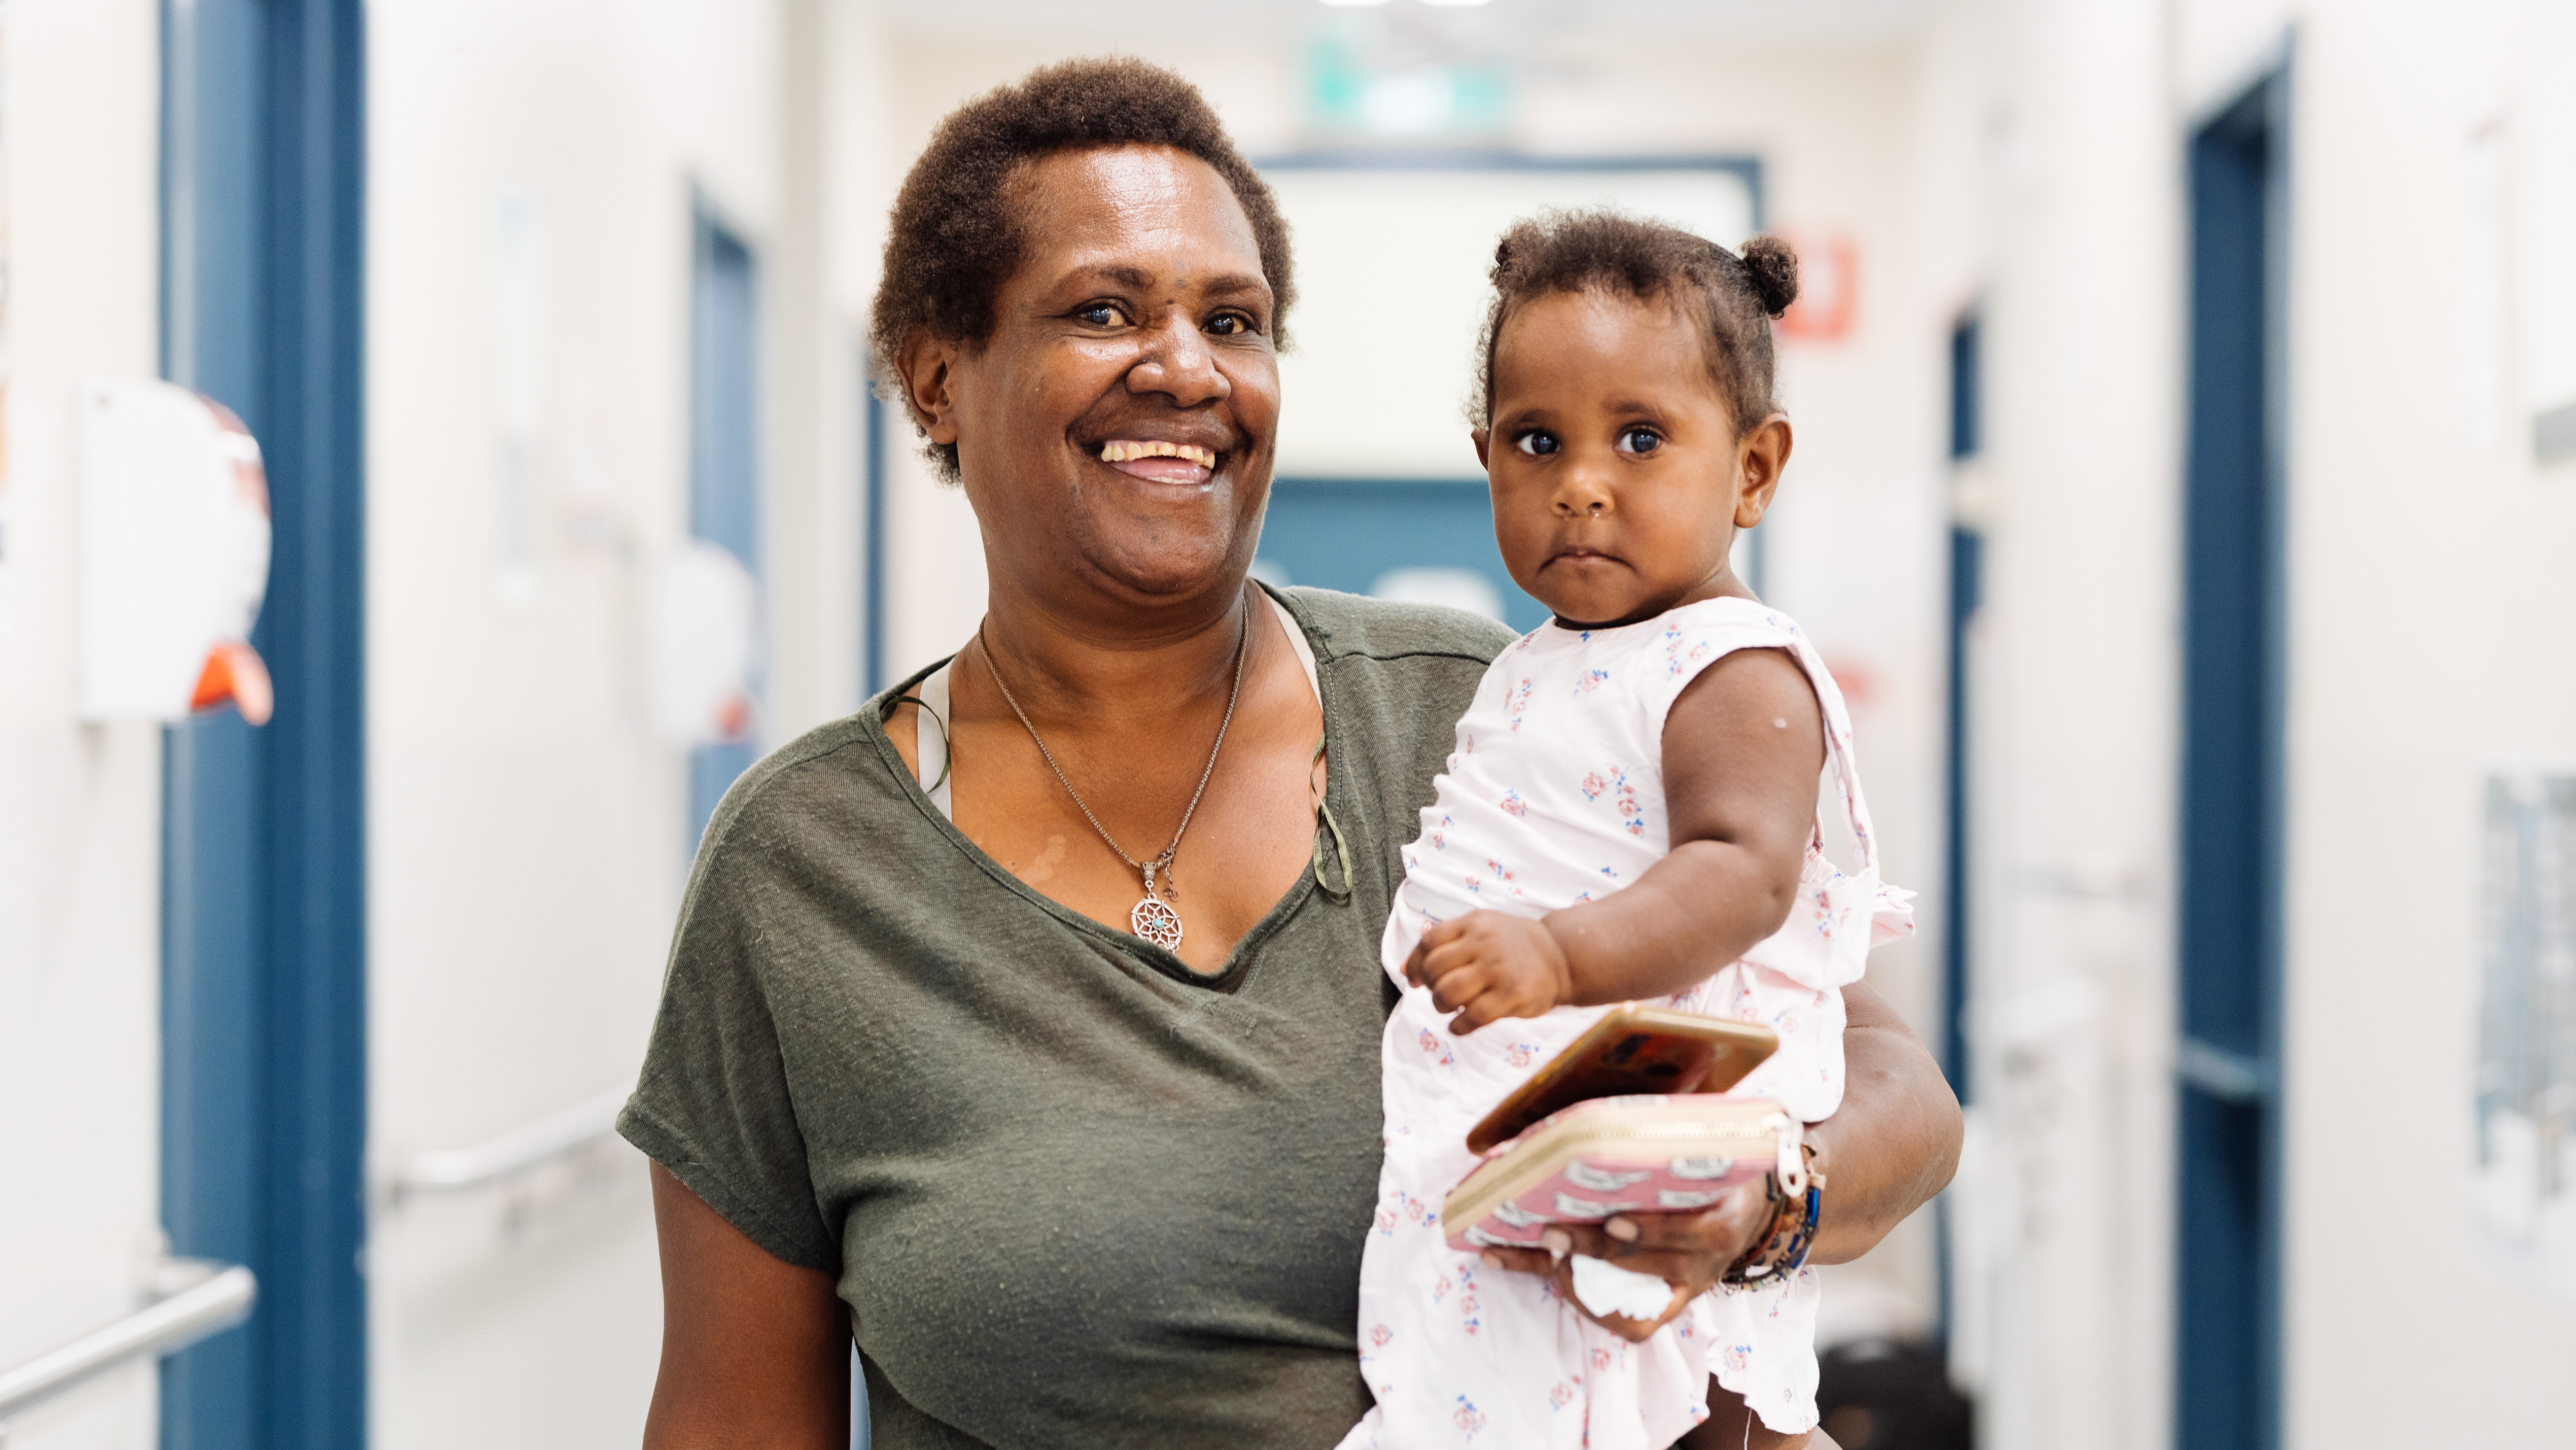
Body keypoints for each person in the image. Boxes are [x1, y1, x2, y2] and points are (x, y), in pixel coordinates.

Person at [618, 57, 1961, 1450]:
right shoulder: (807, 869)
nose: (1186, 367)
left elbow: (1894, 1090)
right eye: (1103, 310)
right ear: (937, 377)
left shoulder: (1488, 725)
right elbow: (730, 1413)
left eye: (1233, 321)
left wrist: (1764, 1195)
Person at [1345, 215, 1911, 1450]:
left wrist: (1557, 954)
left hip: (1659, 1141)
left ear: (1752, 469)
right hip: (1531, 1147)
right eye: (1534, 441)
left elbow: (1741, 873)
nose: (1580, 482)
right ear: (1484, 459)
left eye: (1640, 438)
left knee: (1687, 1401)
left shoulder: (1733, 666)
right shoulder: (1544, 659)